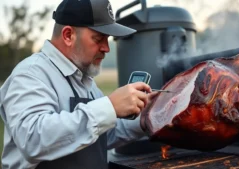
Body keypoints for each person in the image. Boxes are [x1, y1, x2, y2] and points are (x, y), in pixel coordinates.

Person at [0, 0, 157, 168]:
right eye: (98, 39)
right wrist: (110, 107)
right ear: (68, 35)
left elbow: (97, 135)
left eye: (108, 39)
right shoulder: (31, 74)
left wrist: (146, 117)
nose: (106, 48)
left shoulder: (85, 80)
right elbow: (32, 140)